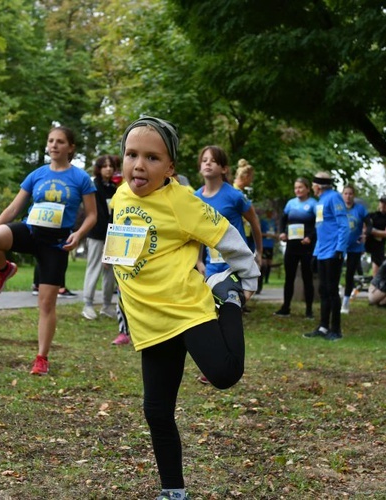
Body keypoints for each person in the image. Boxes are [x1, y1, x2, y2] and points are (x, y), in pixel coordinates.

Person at [109, 116, 259, 500]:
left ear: (171, 168)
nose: (139, 165)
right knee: (157, 411)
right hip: (149, 322)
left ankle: (225, 295)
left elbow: (224, 232)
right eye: (131, 154)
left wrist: (247, 277)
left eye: (152, 158)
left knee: (225, 373)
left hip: (186, 307)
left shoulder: (179, 201)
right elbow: (123, 257)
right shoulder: (120, 198)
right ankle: (173, 492)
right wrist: (123, 306)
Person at [0, 126, 96, 376]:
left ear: (70, 147)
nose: (54, 145)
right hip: (31, 232)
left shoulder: (80, 178)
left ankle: (41, 358)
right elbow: (12, 209)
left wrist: (79, 234)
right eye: (51, 141)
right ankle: (4, 269)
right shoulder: (37, 175)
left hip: (56, 244)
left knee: (46, 304)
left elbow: (93, 215)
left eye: (60, 141)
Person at [194, 146, 262, 279]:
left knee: (233, 299)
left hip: (236, 265)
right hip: (212, 266)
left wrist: (258, 251)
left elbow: (254, 222)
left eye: (213, 160)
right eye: (204, 160)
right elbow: (197, 232)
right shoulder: (196, 198)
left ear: (224, 169)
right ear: (200, 167)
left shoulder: (235, 196)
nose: (208, 163)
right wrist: (199, 261)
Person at [303, 172, 350, 341]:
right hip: (322, 252)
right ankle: (323, 327)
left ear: (318, 186)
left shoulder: (334, 198)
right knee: (323, 290)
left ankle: (336, 330)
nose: (313, 187)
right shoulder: (320, 202)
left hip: (333, 252)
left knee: (332, 291)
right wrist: (315, 254)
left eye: (314, 184)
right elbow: (320, 229)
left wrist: (340, 249)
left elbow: (344, 225)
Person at [81, 154, 120, 320]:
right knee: (95, 267)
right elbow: (98, 213)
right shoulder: (93, 186)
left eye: (111, 166)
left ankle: (106, 305)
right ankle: (87, 304)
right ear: (99, 168)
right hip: (97, 234)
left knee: (110, 271)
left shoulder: (115, 187)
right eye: (105, 166)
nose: (108, 169)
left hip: (113, 234)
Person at [274, 178, 317, 319]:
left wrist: (310, 237)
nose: (298, 190)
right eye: (295, 188)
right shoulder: (290, 203)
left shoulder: (313, 204)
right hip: (292, 245)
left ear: (307, 189)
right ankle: (286, 307)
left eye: (300, 187)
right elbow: (283, 219)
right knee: (289, 278)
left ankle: (309, 310)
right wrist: (282, 232)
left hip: (306, 246)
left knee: (307, 278)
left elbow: (318, 224)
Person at [341, 184, 368, 314]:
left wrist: (365, 234)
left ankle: (346, 301)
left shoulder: (360, 209)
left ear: (354, 195)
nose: (348, 196)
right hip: (340, 244)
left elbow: (369, 223)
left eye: (350, 194)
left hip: (355, 246)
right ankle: (335, 296)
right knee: (335, 270)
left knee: (350, 273)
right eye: (345, 193)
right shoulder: (339, 209)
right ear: (342, 195)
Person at [365, 194, 386, 276]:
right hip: (365, 242)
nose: (383, 205)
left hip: (378, 245)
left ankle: (375, 286)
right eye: (382, 202)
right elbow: (363, 227)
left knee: (376, 272)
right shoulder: (372, 215)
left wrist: (372, 231)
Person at [258, 208, 277, 293]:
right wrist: (267, 234)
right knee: (263, 264)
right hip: (264, 245)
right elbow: (259, 233)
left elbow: (275, 233)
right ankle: (260, 283)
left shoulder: (273, 222)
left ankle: (266, 279)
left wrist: (275, 236)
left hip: (271, 245)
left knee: (269, 263)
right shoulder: (263, 221)